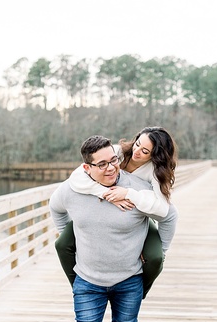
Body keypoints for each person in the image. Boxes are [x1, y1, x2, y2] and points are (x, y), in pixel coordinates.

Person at [50, 136, 178, 322]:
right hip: (88, 278)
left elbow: (169, 216)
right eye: (102, 164)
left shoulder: (139, 189)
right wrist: (66, 233)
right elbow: (55, 208)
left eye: (114, 160)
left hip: (128, 278)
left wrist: (161, 250)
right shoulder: (73, 190)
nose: (111, 168)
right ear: (87, 168)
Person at [56, 126, 178, 297]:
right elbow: (77, 177)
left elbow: (164, 209)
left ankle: (138, 292)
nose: (137, 152)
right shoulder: (117, 152)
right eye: (137, 144)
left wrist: (129, 194)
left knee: (156, 258)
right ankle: (78, 286)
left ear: (155, 155)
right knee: (61, 244)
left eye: (145, 151)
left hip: (135, 214)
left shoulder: (155, 171)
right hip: (100, 207)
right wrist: (104, 194)